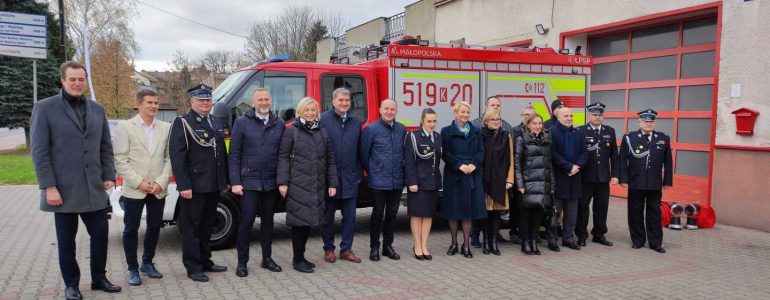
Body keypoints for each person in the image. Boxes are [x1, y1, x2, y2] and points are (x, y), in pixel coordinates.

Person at [30, 61, 121, 299]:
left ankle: (99, 279)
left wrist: (109, 174)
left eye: (81, 79)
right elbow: (39, 151)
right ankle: (71, 284)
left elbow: (105, 145)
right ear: (63, 80)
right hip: (63, 190)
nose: (77, 83)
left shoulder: (97, 109)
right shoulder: (45, 108)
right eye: (72, 79)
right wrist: (49, 186)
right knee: (66, 241)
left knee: (101, 235)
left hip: (93, 188)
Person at [169, 84, 229, 282]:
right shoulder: (183, 123)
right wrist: (183, 185)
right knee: (191, 228)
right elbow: (177, 157)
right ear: (191, 102)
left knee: (207, 226)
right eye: (201, 100)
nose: (205, 103)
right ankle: (193, 266)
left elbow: (221, 154)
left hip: (213, 184)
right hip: (194, 186)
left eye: (208, 100)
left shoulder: (215, 121)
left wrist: (224, 180)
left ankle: (205, 260)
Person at [113, 89, 172, 286]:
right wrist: (138, 182)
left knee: (154, 227)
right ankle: (132, 268)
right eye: (150, 103)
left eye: (156, 103)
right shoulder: (125, 127)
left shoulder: (165, 127)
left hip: (157, 189)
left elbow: (169, 158)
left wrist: (160, 182)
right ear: (139, 104)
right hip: (134, 188)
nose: (154, 106)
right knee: (131, 229)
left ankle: (147, 263)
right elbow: (120, 160)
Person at [277, 97, 338, 273]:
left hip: (316, 185)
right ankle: (297, 259)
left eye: (313, 110)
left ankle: (301, 257)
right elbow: (283, 157)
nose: (310, 113)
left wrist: (332, 183)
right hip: (297, 184)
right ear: (300, 111)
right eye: (307, 110)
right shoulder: (291, 131)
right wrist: (282, 182)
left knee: (308, 222)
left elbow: (330, 159)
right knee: (300, 223)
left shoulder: (322, 132)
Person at [229, 88, 285, 277]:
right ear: (253, 102)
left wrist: (282, 181)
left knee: (268, 222)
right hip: (249, 182)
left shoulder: (279, 124)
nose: (263, 102)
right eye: (260, 99)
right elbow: (234, 156)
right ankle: (242, 262)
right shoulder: (242, 123)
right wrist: (235, 181)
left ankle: (266, 259)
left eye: (266, 99)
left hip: (270, 183)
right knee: (246, 223)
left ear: (271, 101)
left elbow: (282, 156)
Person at [619, 109, 672, 254]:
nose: (649, 124)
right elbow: (622, 160)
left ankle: (655, 242)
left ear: (654, 123)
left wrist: (667, 180)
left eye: (651, 121)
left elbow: (668, 162)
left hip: (655, 183)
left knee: (654, 213)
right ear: (640, 122)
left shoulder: (663, 138)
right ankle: (638, 240)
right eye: (646, 121)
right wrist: (623, 179)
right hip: (636, 181)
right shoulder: (630, 138)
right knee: (635, 212)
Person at [320, 88, 364, 264]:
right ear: (333, 101)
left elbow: (360, 149)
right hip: (329, 178)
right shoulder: (323, 119)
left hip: (350, 177)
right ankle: (329, 249)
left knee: (350, 218)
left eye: (347, 100)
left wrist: (359, 174)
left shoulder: (356, 121)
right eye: (341, 100)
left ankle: (346, 249)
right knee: (327, 217)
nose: (344, 103)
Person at [360, 98, 406, 261]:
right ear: (380, 110)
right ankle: (374, 247)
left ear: (396, 111)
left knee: (392, 215)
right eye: (386, 109)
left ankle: (388, 246)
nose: (389, 112)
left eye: (392, 109)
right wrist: (373, 170)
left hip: (397, 180)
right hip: (378, 180)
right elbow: (364, 155)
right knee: (377, 214)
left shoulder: (401, 129)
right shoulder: (371, 129)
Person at [440, 101, 486, 258]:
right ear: (456, 112)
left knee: (467, 212)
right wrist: (459, 166)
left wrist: (473, 165)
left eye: (468, 112)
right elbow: (445, 153)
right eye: (463, 112)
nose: (466, 114)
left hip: (472, 175)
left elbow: (481, 152)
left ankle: (466, 245)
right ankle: (454, 243)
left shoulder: (477, 131)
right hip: (454, 176)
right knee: (454, 212)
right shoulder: (446, 131)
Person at [470, 96, 514, 247]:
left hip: (499, 178)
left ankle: (493, 239)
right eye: (492, 105)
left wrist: (509, 179)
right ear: (486, 107)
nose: (495, 107)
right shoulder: (476, 126)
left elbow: (510, 157)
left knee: (496, 211)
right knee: (482, 210)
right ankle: (475, 236)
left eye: (497, 105)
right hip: (483, 178)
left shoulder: (506, 128)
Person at [575, 102, 618, 247]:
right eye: (595, 114)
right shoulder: (580, 131)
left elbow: (614, 155)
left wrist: (615, 174)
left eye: (600, 115)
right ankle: (581, 235)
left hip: (603, 178)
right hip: (585, 177)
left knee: (601, 207)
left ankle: (599, 234)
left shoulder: (609, 131)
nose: (598, 117)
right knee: (582, 208)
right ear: (589, 115)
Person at [404, 108, 442, 261]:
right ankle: (417, 245)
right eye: (429, 121)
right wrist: (412, 182)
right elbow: (409, 161)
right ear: (422, 121)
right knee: (417, 214)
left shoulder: (438, 137)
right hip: (418, 182)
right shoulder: (413, 136)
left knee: (428, 215)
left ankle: (425, 245)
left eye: (434, 121)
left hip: (433, 182)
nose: (432, 124)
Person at [514, 115, 555, 255]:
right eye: (534, 123)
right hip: (527, 184)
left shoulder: (546, 140)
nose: (537, 126)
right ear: (528, 125)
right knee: (525, 216)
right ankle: (525, 242)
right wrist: (519, 184)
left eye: (540, 123)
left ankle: (533, 241)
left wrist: (552, 184)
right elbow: (517, 164)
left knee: (538, 215)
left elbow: (549, 165)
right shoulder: (521, 140)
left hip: (542, 184)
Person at [549, 107, 588, 251]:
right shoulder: (552, 132)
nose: (569, 118)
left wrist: (577, 166)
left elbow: (584, 152)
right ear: (558, 117)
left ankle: (568, 239)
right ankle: (552, 240)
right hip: (560, 178)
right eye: (566, 115)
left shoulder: (578, 133)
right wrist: (568, 167)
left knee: (572, 213)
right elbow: (552, 153)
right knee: (555, 212)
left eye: (571, 115)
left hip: (575, 179)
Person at [479, 110, 514, 256]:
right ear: (486, 121)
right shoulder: (480, 135)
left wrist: (510, 179)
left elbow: (511, 159)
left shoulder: (506, 136)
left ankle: (494, 242)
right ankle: (486, 242)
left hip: (500, 181)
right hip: (485, 181)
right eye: (492, 119)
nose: (496, 121)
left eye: (498, 119)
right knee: (486, 214)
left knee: (497, 214)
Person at [507, 105, 537, 244]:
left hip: (534, 176)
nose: (528, 117)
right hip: (519, 175)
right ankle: (514, 231)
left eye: (531, 115)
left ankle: (530, 235)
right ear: (521, 116)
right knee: (516, 207)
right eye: (525, 115)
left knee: (532, 208)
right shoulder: (514, 131)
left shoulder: (540, 132)